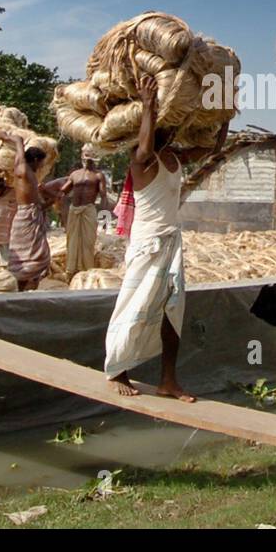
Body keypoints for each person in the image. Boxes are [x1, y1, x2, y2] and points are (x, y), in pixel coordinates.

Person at [104, 73, 227, 400]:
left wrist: (224, 115)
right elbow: (144, 146)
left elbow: (211, 147)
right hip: (147, 244)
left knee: (173, 310)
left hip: (171, 242)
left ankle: (168, 381)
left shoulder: (174, 157)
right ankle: (117, 369)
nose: (172, 131)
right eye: (165, 125)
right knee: (134, 305)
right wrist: (147, 105)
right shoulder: (141, 160)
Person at [8, 137, 71, 289]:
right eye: (41, 162)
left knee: (27, 255)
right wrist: (17, 141)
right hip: (27, 216)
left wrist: (54, 199)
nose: (42, 166)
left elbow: (41, 206)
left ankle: (23, 287)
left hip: (28, 215)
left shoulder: (22, 172)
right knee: (37, 257)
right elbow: (20, 156)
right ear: (35, 160)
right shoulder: (24, 172)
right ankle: (28, 286)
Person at [62, 144, 109, 275]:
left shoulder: (98, 176)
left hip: (89, 210)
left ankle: (87, 270)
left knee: (88, 240)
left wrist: (105, 216)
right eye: (85, 154)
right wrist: (63, 214)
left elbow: (103, 196)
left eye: (90, 154)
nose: (87, 158)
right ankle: (71, 270)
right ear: (82, 155)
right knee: (72, 240)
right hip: (74, 210)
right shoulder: (75, 174)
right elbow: (63, 192)